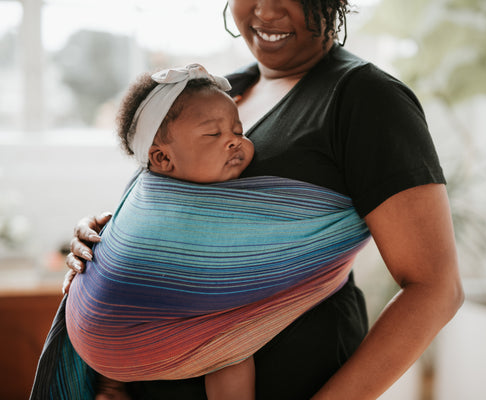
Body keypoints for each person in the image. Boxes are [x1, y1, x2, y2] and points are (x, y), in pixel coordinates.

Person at [63, 1, 464, 399]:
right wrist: (106, 238)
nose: (267, 12)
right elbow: (169, 200)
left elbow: (435, 289)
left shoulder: (367, 100)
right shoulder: (219, 90)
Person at [83, 63, 255, 400]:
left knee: (232, 349)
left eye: (238, 130)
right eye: (214, 134)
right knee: (231, 352)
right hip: (133, 316)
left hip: (194, 316)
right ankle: (111, 384)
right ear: (162, 159)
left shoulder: (242, 190)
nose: (235, 141)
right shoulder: (148, 198)